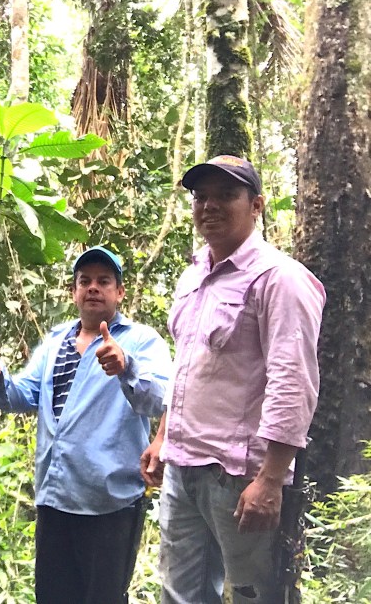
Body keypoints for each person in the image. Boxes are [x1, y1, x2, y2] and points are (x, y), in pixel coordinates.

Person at [139, 155, 326, 604]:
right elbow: (186, 364)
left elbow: (293, 380)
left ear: (256, 204)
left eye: (226, 195)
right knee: (179, 593)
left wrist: (272, 478)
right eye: (201, 195)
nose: (210, 205)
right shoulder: (193, 276)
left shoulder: (279, 279)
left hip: (240, 477)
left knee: (251, 596)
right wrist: (163, 437)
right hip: (183, 469)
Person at [0, 246, 173, 604]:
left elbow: (161, 399)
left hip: (109, 502)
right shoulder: (55, 343)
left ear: (120, 291)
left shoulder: (141, 341)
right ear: (73, 291)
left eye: (103, 281)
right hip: (56, 498)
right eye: (85, 281)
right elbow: (22, 395)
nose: (93, 287)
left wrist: (127, 366)